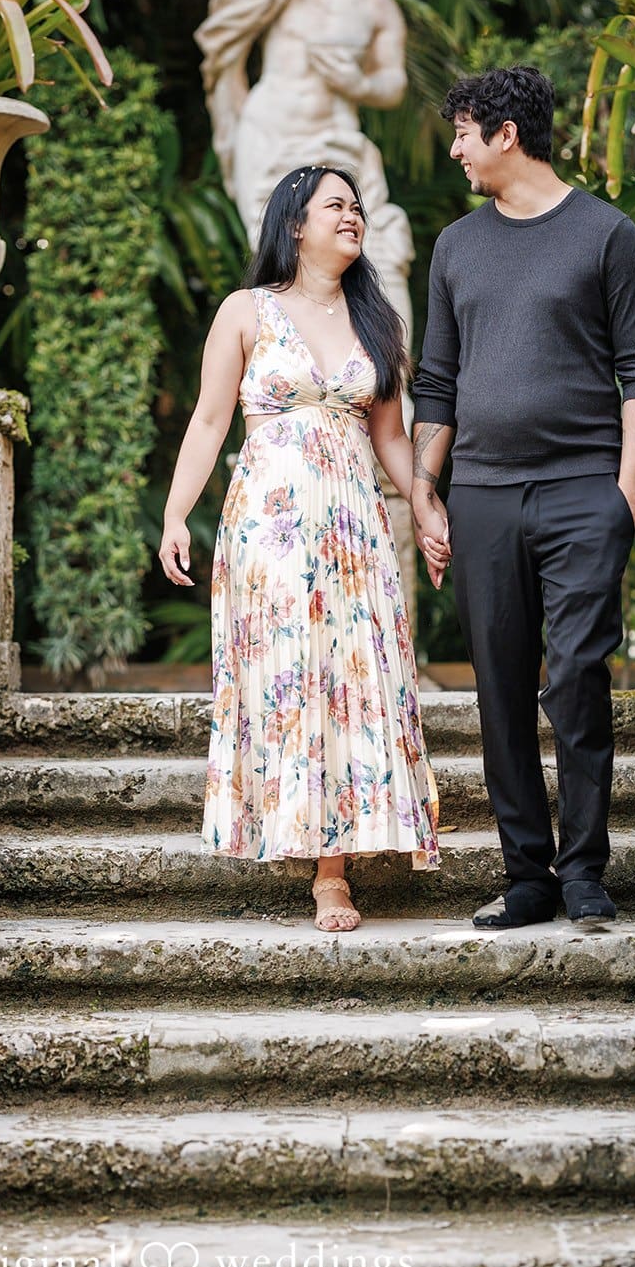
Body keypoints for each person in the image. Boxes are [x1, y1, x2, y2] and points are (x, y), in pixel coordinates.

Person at [411, 66, 635, 931]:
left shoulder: (607, 235)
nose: (454, 148)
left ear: (506, 135)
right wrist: (424, 492)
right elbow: (437, 383)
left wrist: (622, 498)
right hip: (481, 496)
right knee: (499, 690)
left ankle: (584, 869)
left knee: (576, 682)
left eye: (462, 132)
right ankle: (527, 875)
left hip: (579, 494)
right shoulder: (455, 246)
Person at [160, 166, 446, 932]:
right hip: (271, 529)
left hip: (354, 528)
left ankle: (333, 873)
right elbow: (208, 421)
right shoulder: (246, 311)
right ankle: (290, 833)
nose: (352, 216)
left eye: (356, 207)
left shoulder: (377, 322)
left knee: (349, 678)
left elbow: (390, 435)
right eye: (336, 206)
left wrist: (424, 506)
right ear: (295, 224)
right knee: (290, 677)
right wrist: (177, 514)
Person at [195, 0, 415, 350]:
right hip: (269, 135)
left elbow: (393, 84)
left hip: (337, 138)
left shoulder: (374, 8)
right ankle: (294, 381)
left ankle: (388, 385)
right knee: (279, 266)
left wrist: (356, 81)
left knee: (379, 249)